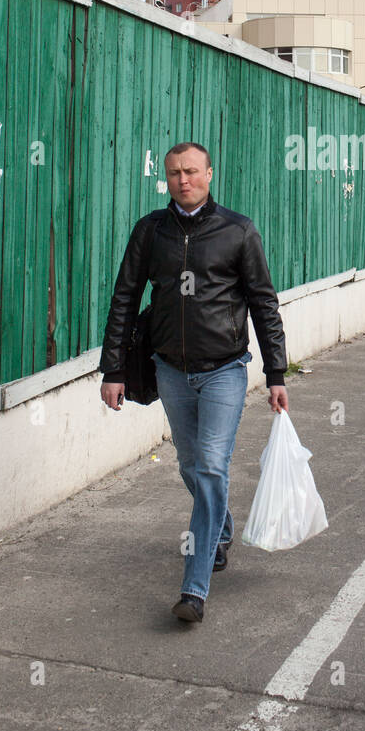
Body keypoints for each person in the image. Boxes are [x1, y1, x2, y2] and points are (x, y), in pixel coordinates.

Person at [99, 142, 288, 625]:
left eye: (191, 171)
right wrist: (113, 370)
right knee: (191, 464)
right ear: (167, 178)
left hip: (225, 369)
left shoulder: (238, 231)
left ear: (209, 174)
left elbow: (264, 303)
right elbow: (124, 297)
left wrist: (276, 373)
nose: (183, 180)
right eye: (174, 173)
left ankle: (194, 587)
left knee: (209, 467)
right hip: (171, 371)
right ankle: (221, 526)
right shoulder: (151, 231)